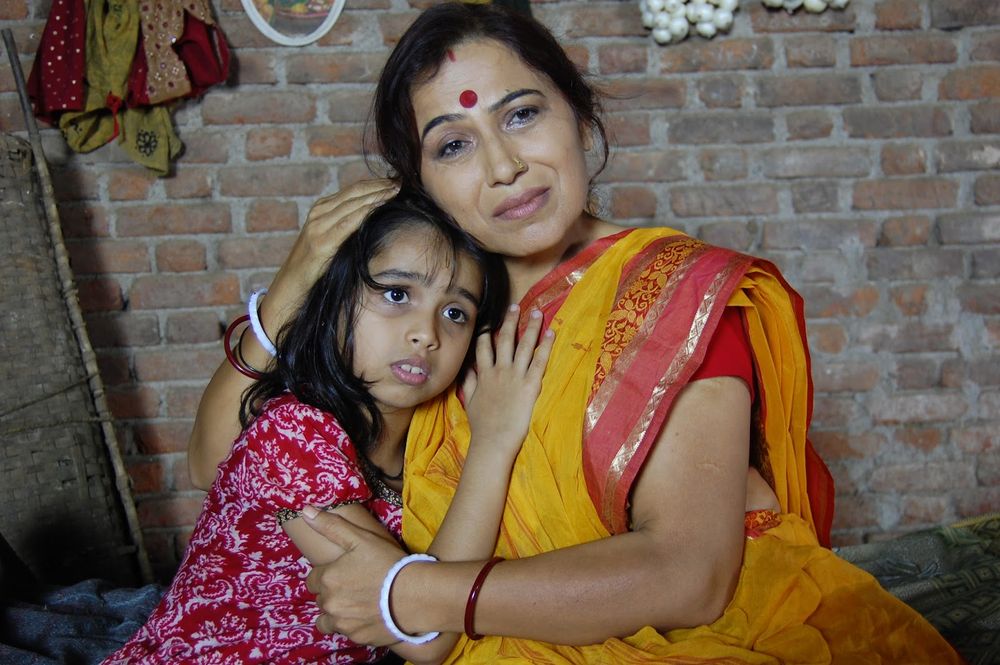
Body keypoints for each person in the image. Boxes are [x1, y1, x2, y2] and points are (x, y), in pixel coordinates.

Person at [187, 3, 962, 662]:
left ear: (580, 115)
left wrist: (411, 592)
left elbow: (690, 575)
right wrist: (294, 281)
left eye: (521, 114)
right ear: (419, 185)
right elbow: (227, 457)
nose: (504, 166)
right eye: (453, 144)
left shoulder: (674, 294)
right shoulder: (444, 319)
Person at [107, 193, 554, 664]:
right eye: (396, 294)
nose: (426, 333)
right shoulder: (291, 434)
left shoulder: (435, 438)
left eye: (454, 313)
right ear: (335, 301)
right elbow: (425, 634)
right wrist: (494, 442)